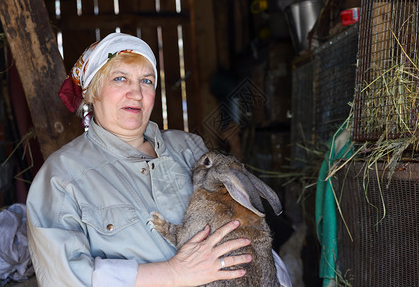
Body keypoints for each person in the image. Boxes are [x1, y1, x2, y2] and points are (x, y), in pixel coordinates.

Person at [26, 32, 290, 287]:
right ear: (92, 92)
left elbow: (246, 223)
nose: (136, 93)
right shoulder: (61, 176)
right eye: (119, 79)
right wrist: (172, 274)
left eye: (147, 81)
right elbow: (62, 277)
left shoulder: (189, 147)